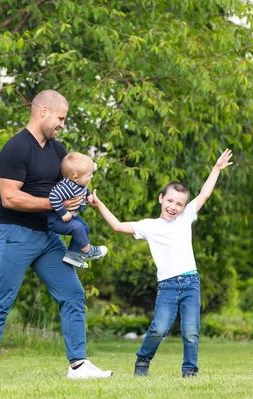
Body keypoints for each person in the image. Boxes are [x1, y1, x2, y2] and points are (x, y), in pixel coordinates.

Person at [0, 90, 113, 381]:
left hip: (47, 234)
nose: (62, 124)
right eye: (60, 118)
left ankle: (78, 365)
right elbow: (10, 198)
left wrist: (84, 197)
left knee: (73, 293)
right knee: (2, 300)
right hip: (16, 233)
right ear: (43, 112)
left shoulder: (57, 150)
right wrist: (56, 205)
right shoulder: (16, 148)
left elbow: (68, 188)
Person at [88, 149, 233, 378]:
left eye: (179, 203)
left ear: (184, 207)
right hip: (167, 285)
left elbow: (204, 194)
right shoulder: (149, 226)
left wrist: (216, 169)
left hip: (190, 283)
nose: (174, 206)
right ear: (161, 198)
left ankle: (190, 371)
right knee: (159, 328)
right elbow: (117, 226)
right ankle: (143, 361)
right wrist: (99, 204)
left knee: (191, 331)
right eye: (170, 200)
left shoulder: (186, 219)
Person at [48, 152, 107, 268]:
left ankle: (72, 255)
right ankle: (88, 251)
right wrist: (63, 212)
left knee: (84, 228)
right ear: (75, 177)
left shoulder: (78, 182)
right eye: (89, 175)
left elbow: (83, 188)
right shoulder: (66, 188)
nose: (91, 177)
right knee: (78, 227)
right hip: (55, 220)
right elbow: (53, 197)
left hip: (69, 217)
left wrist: (88, 195)